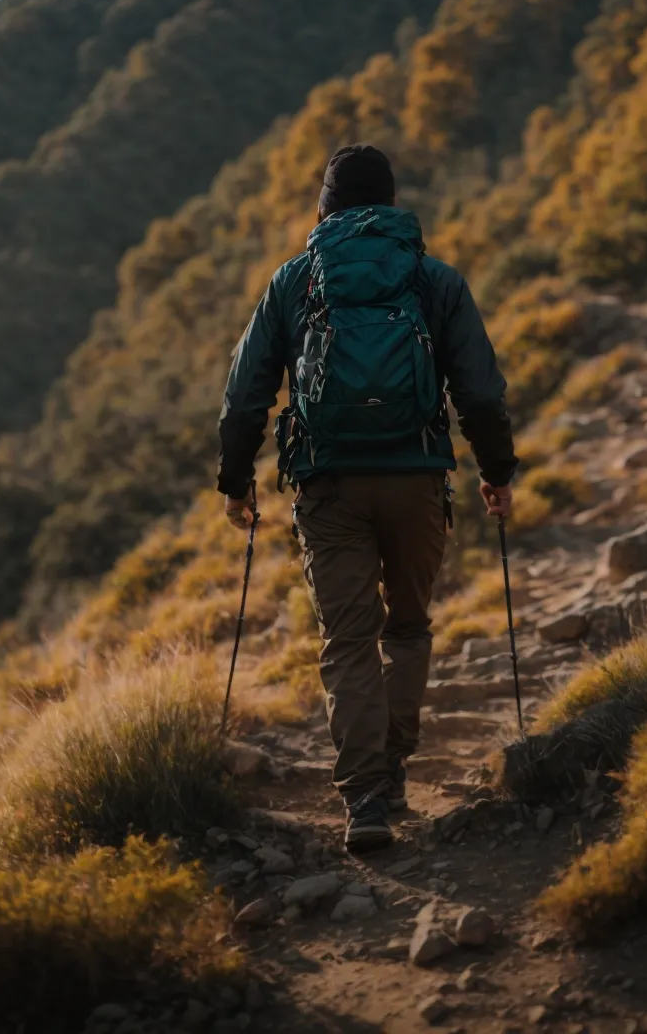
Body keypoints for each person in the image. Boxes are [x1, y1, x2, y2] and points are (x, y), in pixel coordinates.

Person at [217, 144, 518, 853]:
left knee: (348, 640)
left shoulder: (294, 281)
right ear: (390, 206)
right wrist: (497, 470)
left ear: (324, 207)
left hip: (329, 485)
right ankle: (394, 770)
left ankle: (365, 801)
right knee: (407, 628)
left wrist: (237, 481)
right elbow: (478, 389)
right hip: (417, 478)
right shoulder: (434, 279)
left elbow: (244, 394)